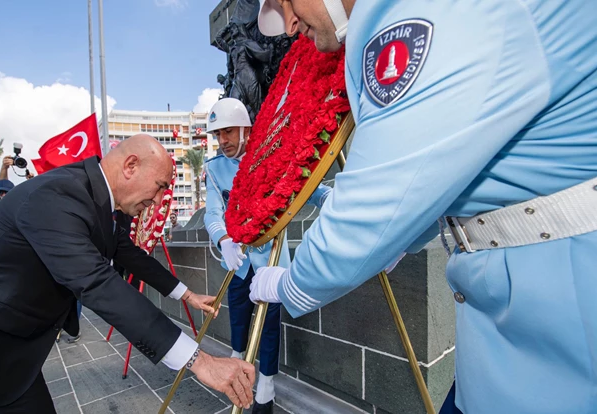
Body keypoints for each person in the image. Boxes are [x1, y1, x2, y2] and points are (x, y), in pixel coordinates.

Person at [249, 1, 597, 413]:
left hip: (561, 342)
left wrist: (293, 283)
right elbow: (459, 168)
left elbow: (374, 200)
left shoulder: (412, 11)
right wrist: (404, 240)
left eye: (286, 1)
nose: (288, 24)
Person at [0, 134, 256, 413]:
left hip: (12, 340)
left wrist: (186, 293)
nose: (159, 198)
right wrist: (200, 361)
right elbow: (96, 283)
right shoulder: (56, 195)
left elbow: (127, 253)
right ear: (131, 165)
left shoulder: (97, 199)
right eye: (161, 185)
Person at [204, 97, 332, 413]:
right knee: (238, 318)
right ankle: (237, 369)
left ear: (246, 129)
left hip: (269, 262)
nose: (223, 141)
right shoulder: (215, 168)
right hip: (237, 262)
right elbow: (212, 213)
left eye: (229, 132)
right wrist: (223, 241)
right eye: (218, 134)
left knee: (269, 325)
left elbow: (306, 186)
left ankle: (267, 383)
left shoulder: (273, 154)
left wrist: (330, 197)